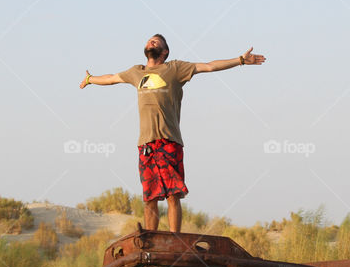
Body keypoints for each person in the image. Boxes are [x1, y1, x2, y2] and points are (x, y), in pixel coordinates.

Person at [80, 34, 265, 232]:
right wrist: (90, 79)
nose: (151, 42)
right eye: (149, 40)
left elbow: (209, 66)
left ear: (165, 51)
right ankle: (151, 240)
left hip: (169, 141)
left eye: (156, 41)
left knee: (173, 194)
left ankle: (175, 239)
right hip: (146, 145)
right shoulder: (136, 72)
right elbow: (111, 79)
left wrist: (240, 60)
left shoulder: (175, 69)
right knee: (150, 197)